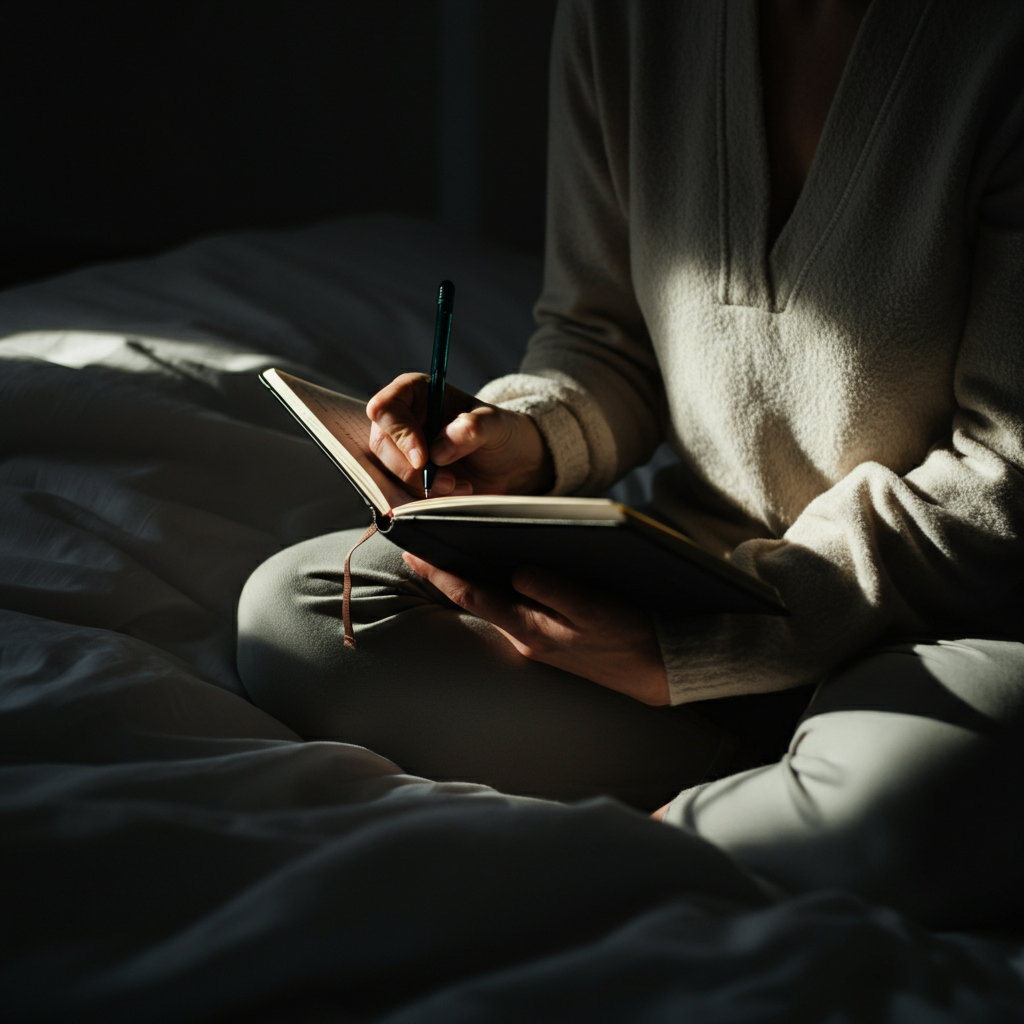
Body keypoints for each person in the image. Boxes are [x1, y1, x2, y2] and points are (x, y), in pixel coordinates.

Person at [238, 0, 1024, 927]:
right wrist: (516, 442)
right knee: (302, 616)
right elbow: (600, 337)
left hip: (950, 622)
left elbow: (1004, 466)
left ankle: (684, 812)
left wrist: (708, 652)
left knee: (924, 792)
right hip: (681, 571)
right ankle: (779, 800)